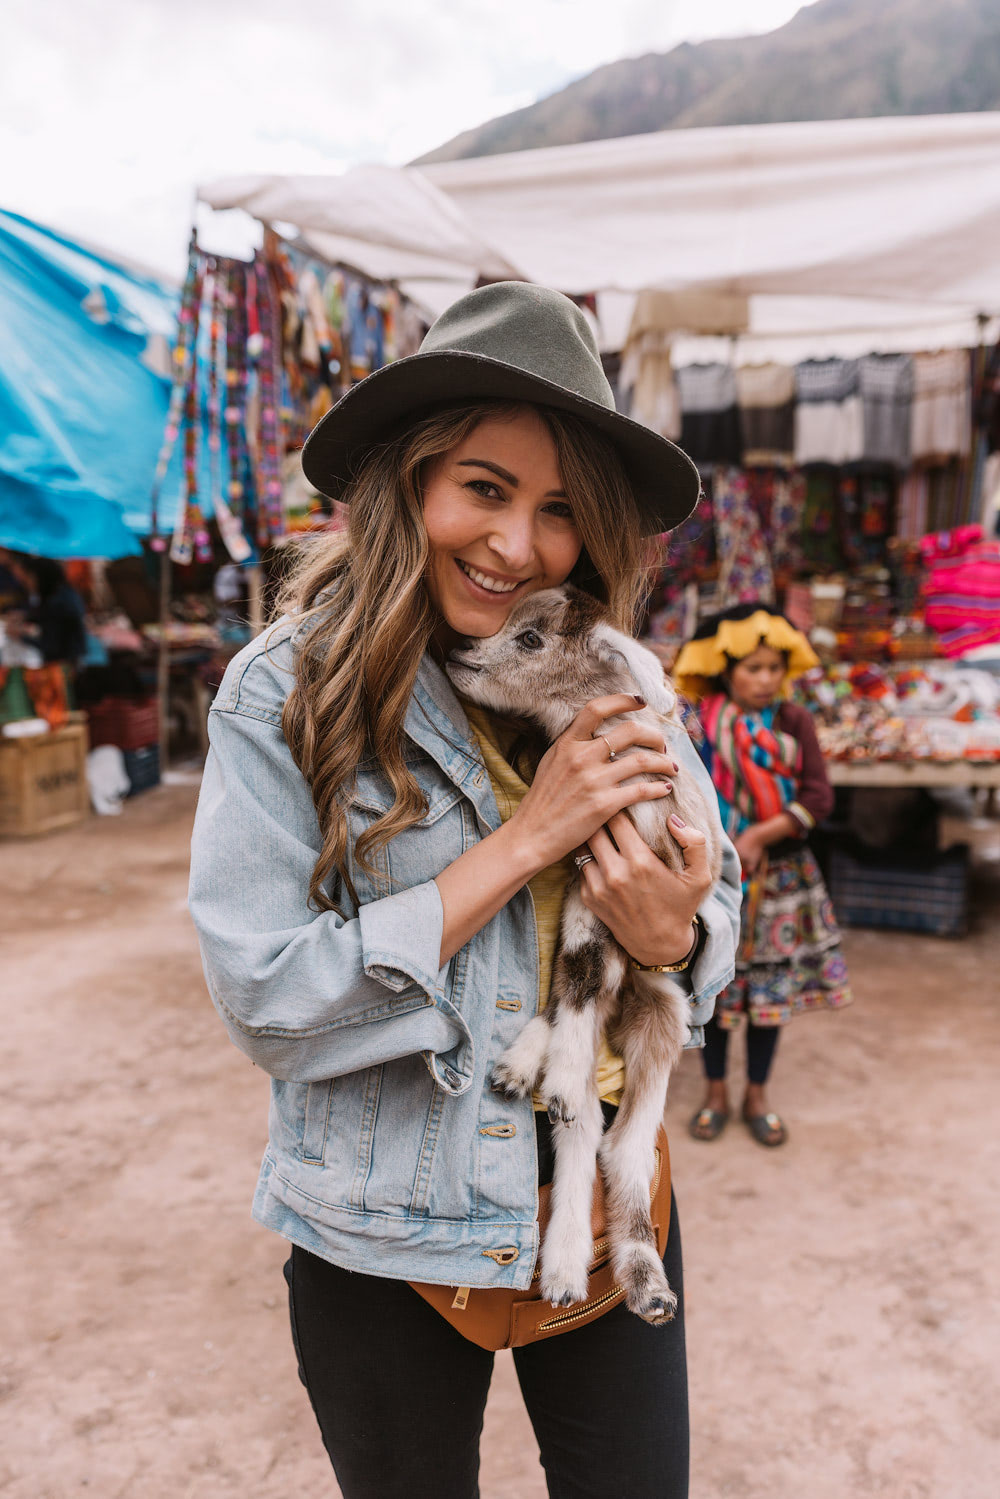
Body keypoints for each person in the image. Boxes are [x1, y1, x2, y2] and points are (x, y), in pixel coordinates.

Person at [189, 282, 741, 1499]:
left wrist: (677, 929)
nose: (515, 545)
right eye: (482, 489)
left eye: (557, 511)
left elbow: (718, 896)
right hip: (384, 1238)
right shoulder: (284, 694)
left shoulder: (614, 665)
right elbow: (265, 996)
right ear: (407, 483)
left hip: (600, 1211)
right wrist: (521, 841)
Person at [672, 603, 852, 1148]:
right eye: (753, 668)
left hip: (781, 882)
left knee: (769, 996)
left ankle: (756, 1094)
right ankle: (716, 1094)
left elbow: (819, 796)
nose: (766, 679)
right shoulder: (700, 723)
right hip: (717, 877)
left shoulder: (794, 721)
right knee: (719, 989)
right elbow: (687, 787)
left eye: (774, 668)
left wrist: (758, 835)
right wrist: (723, 844)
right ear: (728, 671)